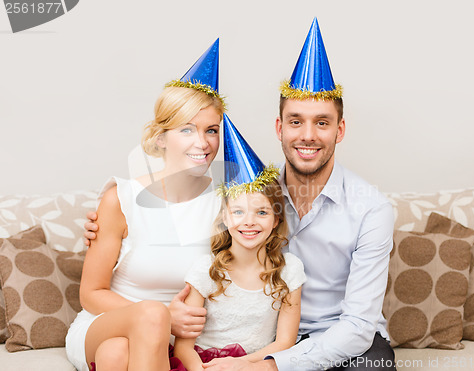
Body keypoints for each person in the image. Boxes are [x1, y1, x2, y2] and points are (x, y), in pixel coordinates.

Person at [86, 19, 396, 371]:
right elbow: (175, 211)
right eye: (295, 121)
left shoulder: (371, 210)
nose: (307, 135)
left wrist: (267, 365)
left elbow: (357, 328)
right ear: (279, 128)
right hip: (262, 338)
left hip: (335, 337)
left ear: (339, 130)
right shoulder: (249, 196)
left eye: (322, 123)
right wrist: (106, 222)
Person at [66, 40, 226, 371]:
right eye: (187, 129)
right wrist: (163, 316)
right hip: (108, 319)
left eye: (212, 130)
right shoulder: (121, 199)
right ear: (160, 138)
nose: (204, 142)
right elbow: (91, 293)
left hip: (176, 336)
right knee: (150, 313)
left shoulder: (227, 203)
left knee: (116, 356)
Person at [173, 114, 306, 371]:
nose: (249, 222)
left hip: (253, 365)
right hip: (201, 366)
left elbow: (285, 342)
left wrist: (238, 365)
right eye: (238, 212)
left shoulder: (290, 270)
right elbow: (183, 348)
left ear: (277, 218)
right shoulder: (205, 271)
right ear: (224, 217)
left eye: (262, 212)